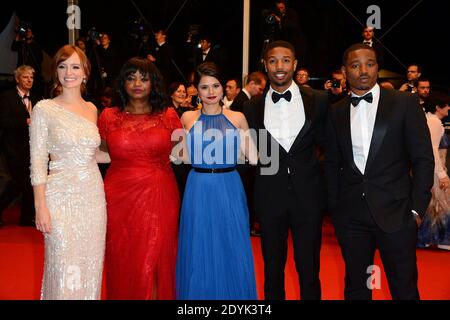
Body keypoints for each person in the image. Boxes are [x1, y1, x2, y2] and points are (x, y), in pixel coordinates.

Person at [325, 43, 434, 300]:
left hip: (397, 214)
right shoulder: (336, 111)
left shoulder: (404, 103)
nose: (363, 70)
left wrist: (417, 209)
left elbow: (423, 159)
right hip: (351, 217)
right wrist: (335, 209)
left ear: (377, 67)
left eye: (370, 64)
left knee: (404, 288)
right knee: (356, 288)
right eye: (355, 65)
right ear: (344, 71)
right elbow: (330, 163)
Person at [244, 40, 328, 300]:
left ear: (295, 64)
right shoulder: (251, 106)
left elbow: (330, 147)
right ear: (265, 65)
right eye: (273, 60)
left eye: (285, 60)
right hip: (270, 197)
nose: (279, 66)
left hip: (309, 197)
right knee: (272, 269)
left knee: (309, 269)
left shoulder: (319, 99)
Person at [98, 57, 182, 299]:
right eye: (130, 77)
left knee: (156, 257)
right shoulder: (108, 116)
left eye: (144, 79)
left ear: (153, 84)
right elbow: (101, 151)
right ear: (122, 83)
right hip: (118, 197)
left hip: (160, 194)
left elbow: (183, 153)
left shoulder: (168, 115)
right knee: (123, 255)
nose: (136, 83)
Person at [29, 45, 107, 299]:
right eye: (62, 66)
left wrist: (138, 153)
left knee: (90, 264)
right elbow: (38, 161)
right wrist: (40, 206)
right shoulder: (44, 109)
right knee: (63, 265)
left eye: (75, 66)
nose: (68, 72)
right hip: (59, 197)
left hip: (93, 196)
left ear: (85, 72)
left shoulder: (92, 109)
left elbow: (92, 154)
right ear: (55, 72)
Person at [176, 62, 257, 299]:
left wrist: (236, 148)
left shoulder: (238, 117)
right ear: (196, 91)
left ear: (223, 88)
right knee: (198, 247)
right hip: (198, 188)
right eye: (204, 87)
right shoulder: (187, 117)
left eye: (216, 85)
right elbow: (180, 157)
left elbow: (253, 157)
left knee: (231, 245)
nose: (211, 92)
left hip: (228, 187)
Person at [0, 66, 39, 227]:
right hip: (13, 148)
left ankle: (27, 218)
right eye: (25, 77)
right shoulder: (6, 97)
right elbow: (2, 121)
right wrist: (24, 122)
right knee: (18, 182)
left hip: (32, 148)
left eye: (31, 77)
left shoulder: (37, 98)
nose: (29, 80)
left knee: (31, 183)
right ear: (17, 79)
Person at [418, 92, 450, 250]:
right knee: (440, 205)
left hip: (433, 169)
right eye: (447, 105)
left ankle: (430, 238)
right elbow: (432, 150)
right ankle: (440, 240)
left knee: (435, 205)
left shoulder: (432, 120)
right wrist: (442, 175)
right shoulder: (434, 122)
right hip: (434, 170)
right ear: (438, 107)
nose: (449, 108)